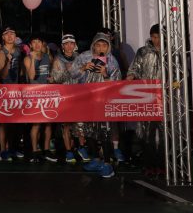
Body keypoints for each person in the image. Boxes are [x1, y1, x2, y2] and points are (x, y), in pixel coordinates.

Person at [71, 32, 121, 178]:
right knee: (89, 130)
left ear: (108, 46)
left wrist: (106, 74)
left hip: (104, 101)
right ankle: (96, 159)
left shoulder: (112, 60)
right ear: (93, 45)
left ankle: (107, 163)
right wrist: (83, 68)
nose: (101, 47)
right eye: (98, 44)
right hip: (87, 99)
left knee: (104, 131)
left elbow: (118, 82)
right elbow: (72, 74)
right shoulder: (84, 56)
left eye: (104, 45)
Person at [127, 24, 163, 176]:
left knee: (164, 133)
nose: (156, 40)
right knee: (147, 132)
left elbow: (179, 73)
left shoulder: (171, 52)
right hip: (146, 97)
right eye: (154, 37)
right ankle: (149, 164)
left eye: (159, 37)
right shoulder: (143, 51)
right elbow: (134, 68)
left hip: (165, 99)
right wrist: (130, 77)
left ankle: (162, 165)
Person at [50, 33, 84, 163]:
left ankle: (81, 147)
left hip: (78, 95)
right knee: (67, 125)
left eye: (71, 43)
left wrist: (77, 70)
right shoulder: (58, 59)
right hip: (64, 95)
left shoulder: (79, 58)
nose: (69, 46)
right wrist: (68, 71)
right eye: (66, 43)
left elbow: (83, 75)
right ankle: (69, 151)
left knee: (80, 123)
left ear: (74, 45)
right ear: (62, 46)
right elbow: (56, 79)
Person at [23, 34, 56, 163]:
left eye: (39, 42)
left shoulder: (48, 57)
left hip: (47, 93)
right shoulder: (27, 58)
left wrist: (52, 79)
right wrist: (32, 58)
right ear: (31, 45)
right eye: (34, 42)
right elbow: (31, 76)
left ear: (43, 44)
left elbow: (51, 73)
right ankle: (35, 151)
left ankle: (46, 150)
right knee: (36, 123)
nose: (37, 45)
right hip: (34, 94)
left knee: (48, 123)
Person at [0, 26, 24, 161]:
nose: (10, 36)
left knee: (14, 121)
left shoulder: (19, 50)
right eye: (7, 34)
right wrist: (7, 62)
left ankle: (12, 147)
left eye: (12, 33)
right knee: (4, 122)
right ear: (3, 37)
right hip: (4, 90)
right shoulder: (1, 52)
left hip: (16, 90)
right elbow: (2, 74)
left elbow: (21, 71)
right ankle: (3, 149)